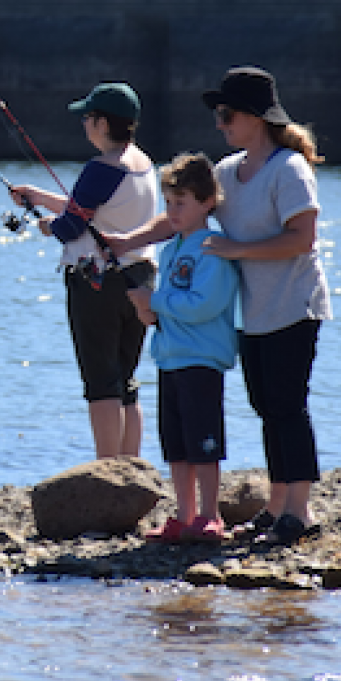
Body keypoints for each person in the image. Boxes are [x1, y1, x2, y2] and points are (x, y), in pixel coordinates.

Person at [103, 66, 331, 547]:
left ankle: (300, 510)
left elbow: (302, 238)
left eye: (227, 115)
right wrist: (129, 240)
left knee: (288, 406)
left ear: (256, 117)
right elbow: (180, 220)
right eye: (218, 115)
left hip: (294, 306)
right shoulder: (228, 172)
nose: (220, 124)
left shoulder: (289, 168)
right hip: (253, 313)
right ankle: (274, 508)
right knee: (265, 406)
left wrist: (236, 251)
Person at [9, 82, 161, 460]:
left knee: (101, 382)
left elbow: (72, 226)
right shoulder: (143, 163)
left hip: (98, 283)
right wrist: (42, 197)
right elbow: (92, 209)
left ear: (103, 123)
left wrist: (46, 225)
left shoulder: (100, 167)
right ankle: (131, 468)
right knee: (127, 381)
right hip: (140, 278)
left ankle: (107, 470)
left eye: (88, 117)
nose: (84, 124)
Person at [128, 153, 240, 544]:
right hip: (171, 356)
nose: (173, 211)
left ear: (207, 202)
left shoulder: (213, 248)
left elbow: (204, 305)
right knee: (175, 445)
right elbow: (171, 305)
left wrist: (155, 302)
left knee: (204, 444)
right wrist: (150, 315)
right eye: (169, 202)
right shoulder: (172, 247)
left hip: (202, 360)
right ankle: (183, 515)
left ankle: (210, 516)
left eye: (182, 202)